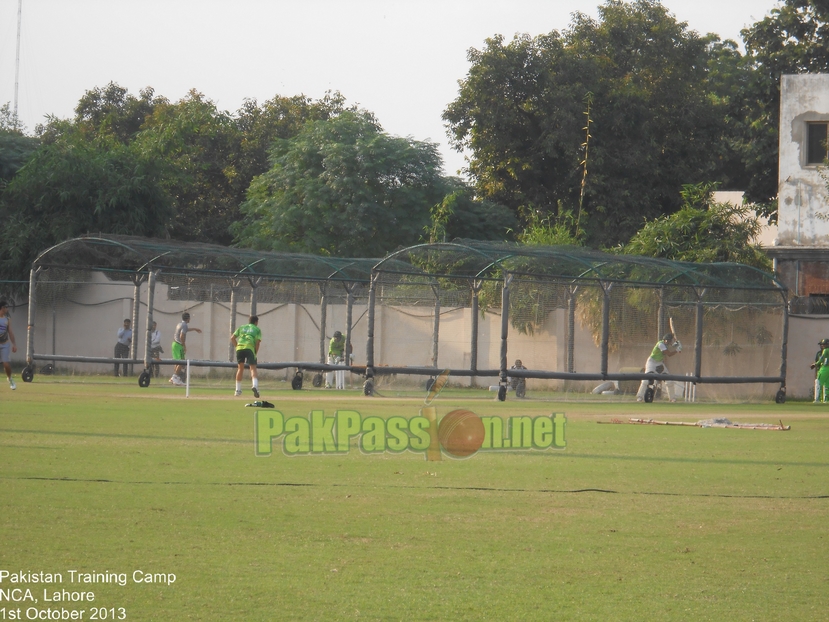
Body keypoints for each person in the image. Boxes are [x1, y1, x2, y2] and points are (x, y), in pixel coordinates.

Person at [636, 333, 681, 402]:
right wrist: (677, 350)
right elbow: (668, 354)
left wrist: (678, 344)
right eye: (668, 340)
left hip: (660, 363)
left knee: (669, 380)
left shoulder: (667, 344)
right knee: (646, 380)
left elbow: (672, 347)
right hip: (652, 363)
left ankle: (672, 398)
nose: (669, 342)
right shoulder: (661, 344)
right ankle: (639, 396)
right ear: (666, 340)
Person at [231, 315, 262, 397]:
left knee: (240, 368)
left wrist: (237, 346)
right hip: (249, 348)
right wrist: (255, 352)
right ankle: (255, 386)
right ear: (256, 322)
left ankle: (237, 390)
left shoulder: (242, 327)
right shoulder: (257, 329)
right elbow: (258, 342)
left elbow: (232, 338)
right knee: (253, 368)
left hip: (240, 347)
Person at [170, 312, 201, 386]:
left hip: (174, 344)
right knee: (182, 361)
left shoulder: (180, 324)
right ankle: (174, 377)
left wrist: (194, 329)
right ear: (188, 318)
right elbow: (181, 336)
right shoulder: (184, 325)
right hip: (179, 345)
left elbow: (185, 330)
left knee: (177, 362)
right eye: (189, 318)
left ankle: (175, 378)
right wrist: (184, 346)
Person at [0, 300, 17, 390]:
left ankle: (10, 379)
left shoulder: (7, 319)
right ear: (2, 308)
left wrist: (14, 344)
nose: (7, 309)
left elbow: (10, 332)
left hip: (4, 344)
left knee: (6, 364)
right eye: (6, 307)